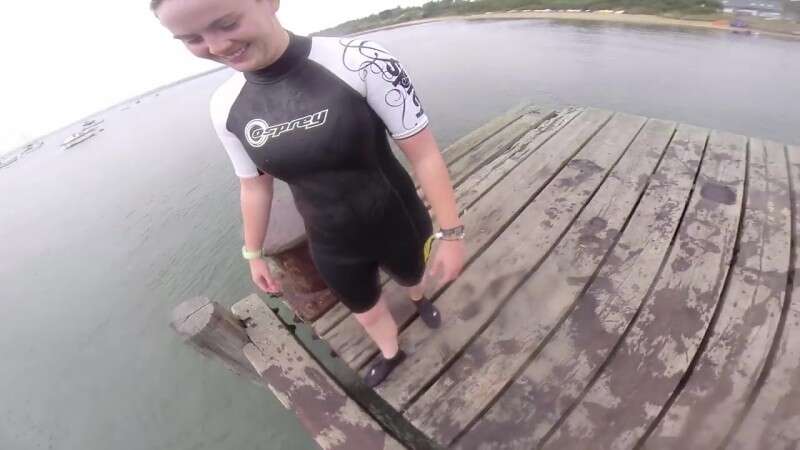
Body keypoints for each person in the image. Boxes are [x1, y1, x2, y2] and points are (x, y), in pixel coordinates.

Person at [153, 0, 465, 387]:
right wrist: (253, 253)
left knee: (412, 276)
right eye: (192, 39)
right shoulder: (225, 106)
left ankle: (419, 299)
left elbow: (424, 154)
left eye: (227, 23)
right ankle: (391, 352)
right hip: (330, 241)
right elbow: (253, 184)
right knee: (365, 309)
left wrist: (452, 234)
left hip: (398, 218)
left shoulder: (360, 60)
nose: (216, 47)